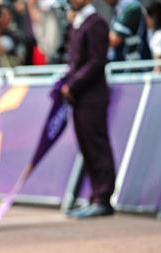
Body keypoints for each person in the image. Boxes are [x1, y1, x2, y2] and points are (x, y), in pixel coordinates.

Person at [62, 0, 116, 219]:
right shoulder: (80, 22)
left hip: (92, 97)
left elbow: (96, 62)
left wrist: (72, 84)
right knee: (87, 148)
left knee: (97, 146)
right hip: (81, 98)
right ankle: (96, 196)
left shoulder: (96, 23)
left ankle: (103, 198)